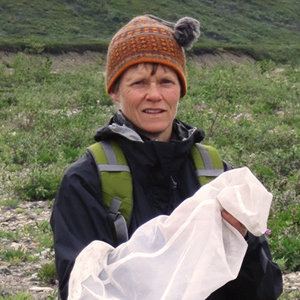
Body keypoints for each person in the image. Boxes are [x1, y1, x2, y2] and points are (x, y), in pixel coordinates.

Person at [50, 15, 282, 300]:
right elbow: (78, 290)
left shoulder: (216, 176)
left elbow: (265, 291)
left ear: (181, 89)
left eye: (166, 81)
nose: (154, 95)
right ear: (114, 89)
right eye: (139, 83)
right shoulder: (85, 181)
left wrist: (244, 242)